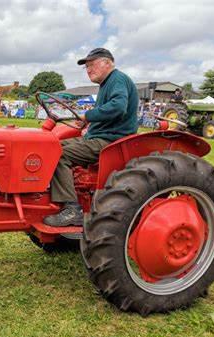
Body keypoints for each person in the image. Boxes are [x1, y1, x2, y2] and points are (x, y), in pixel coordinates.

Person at [43, 48, 139, 227]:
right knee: (50, 145)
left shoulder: (117, 79)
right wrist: (88, 124)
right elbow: (110, 115)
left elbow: (118, 107)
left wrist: (88, 116)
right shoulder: (106, 84)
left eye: (92, 64)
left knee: (58, 153)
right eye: (86, 67)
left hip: (110, 141)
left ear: (108, 63)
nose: (88, 70)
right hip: (99, 135)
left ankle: (72, 209)